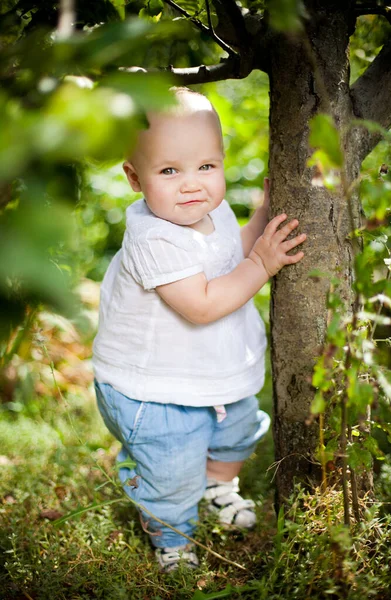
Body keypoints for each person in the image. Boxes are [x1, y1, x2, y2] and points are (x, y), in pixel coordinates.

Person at [92, 87, 306, 572]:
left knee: (236, 434)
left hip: (213, 376)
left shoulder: (211, 212)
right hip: (155, 391)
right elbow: (202, 306)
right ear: (133, 177)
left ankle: (217, 487)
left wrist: (263, 219)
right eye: (169, 171)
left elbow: (233, 250)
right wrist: (262, 265)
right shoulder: (154, 237)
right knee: (171, 472)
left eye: (207, 167)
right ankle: (172, 538)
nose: (192, 185)